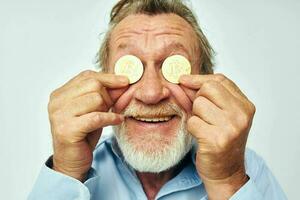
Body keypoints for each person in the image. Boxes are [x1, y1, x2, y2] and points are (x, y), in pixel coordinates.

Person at [29, 0, 287, 199]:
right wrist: (66, 171)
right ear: (101, 84)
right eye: (130, 69)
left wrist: (227, 181)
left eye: (175, 66)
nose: (151, 94)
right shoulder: (73, 170)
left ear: (205, 84)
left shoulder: (245, 168)